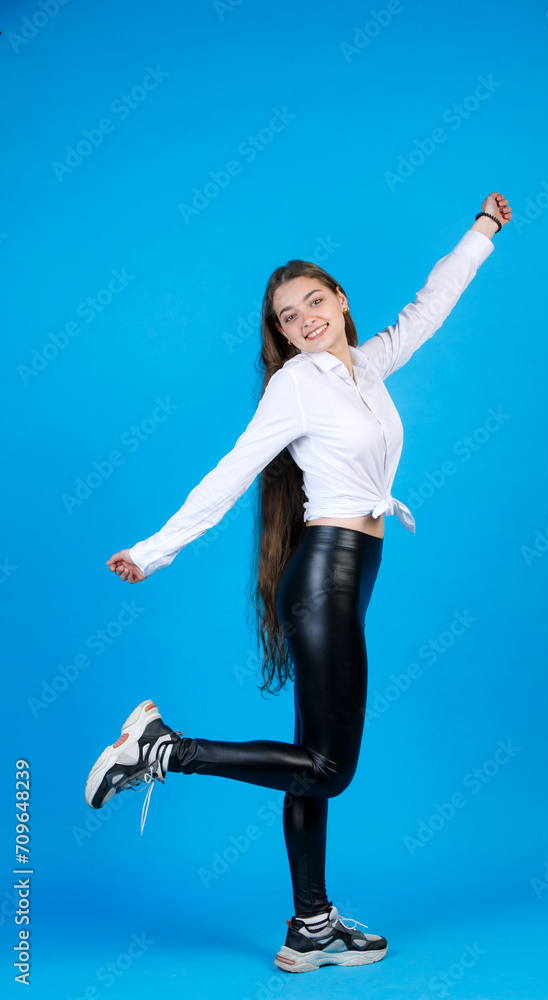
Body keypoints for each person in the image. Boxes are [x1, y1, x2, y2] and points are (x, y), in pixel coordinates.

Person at [84, 192, 511, 973]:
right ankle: (162, 750)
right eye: (288, 315)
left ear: (340, 302)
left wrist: (480, 233)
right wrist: (154, 551)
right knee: (331, 770)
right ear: (280, 334)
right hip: (323, 578)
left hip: (345, 576)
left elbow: (431, 304)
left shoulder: (367, 363)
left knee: (310, 760)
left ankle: (310, 927)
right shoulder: (298, 384)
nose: (305, 318)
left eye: (314, 301)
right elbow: (232, 471)